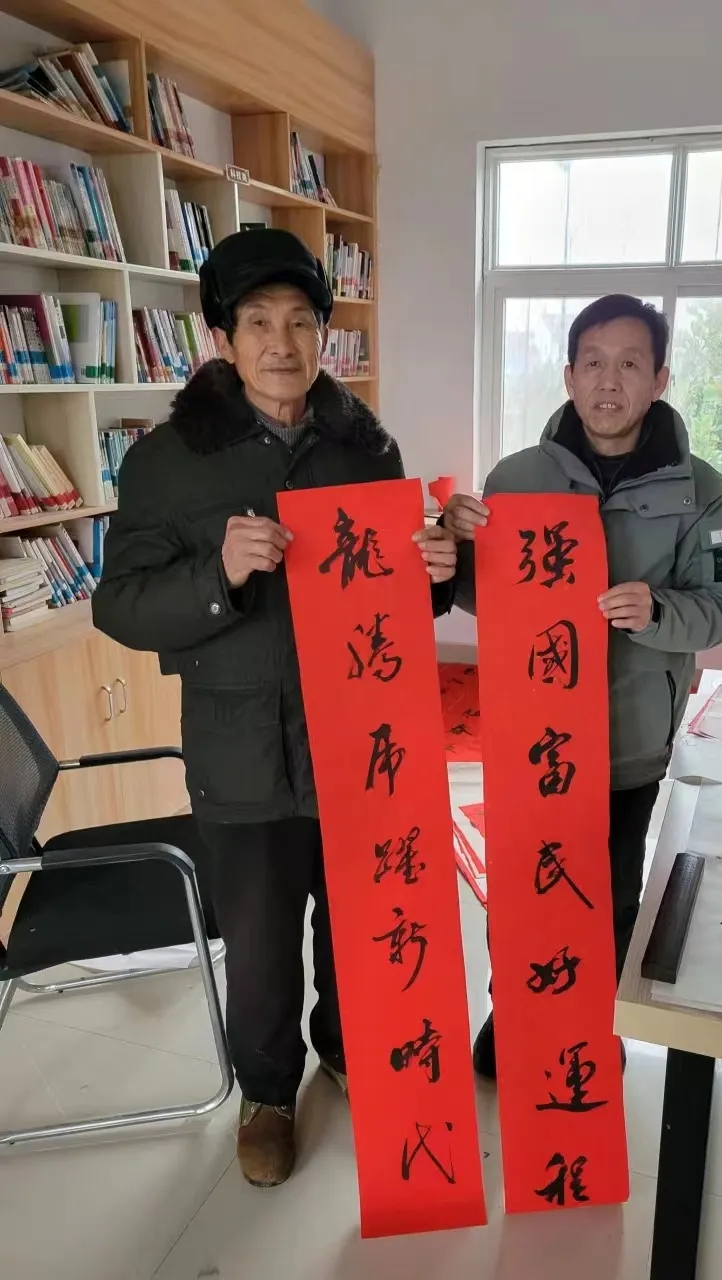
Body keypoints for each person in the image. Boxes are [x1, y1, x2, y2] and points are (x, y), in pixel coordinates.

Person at [93, 228, 458, 1187]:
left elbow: (395, 596)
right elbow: (119, 605)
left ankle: (347, 1048)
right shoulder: (168, 460)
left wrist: (437, 574)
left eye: (300, 321)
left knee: (358, 919)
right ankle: (267, 1094)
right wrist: (216, 574)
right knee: (257, 944)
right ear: (223, 338)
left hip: (358, 740)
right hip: (240, 747)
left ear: (324, 335)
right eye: (257, 323)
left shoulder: (365, 445)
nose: (281, 343)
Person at [445, 293, 722, 1080]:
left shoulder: (700, 491)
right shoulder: (515, 478)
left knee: (607, 895)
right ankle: (515, 1015)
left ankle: (588, 1027)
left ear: (660, 379)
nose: (609, 381)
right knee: (523, 890)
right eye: (593, 363)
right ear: (570, 375)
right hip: (531, 737)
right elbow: (489, 596)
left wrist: (658, 611)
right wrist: (454, 548)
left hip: (627, 741)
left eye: (629, 364)